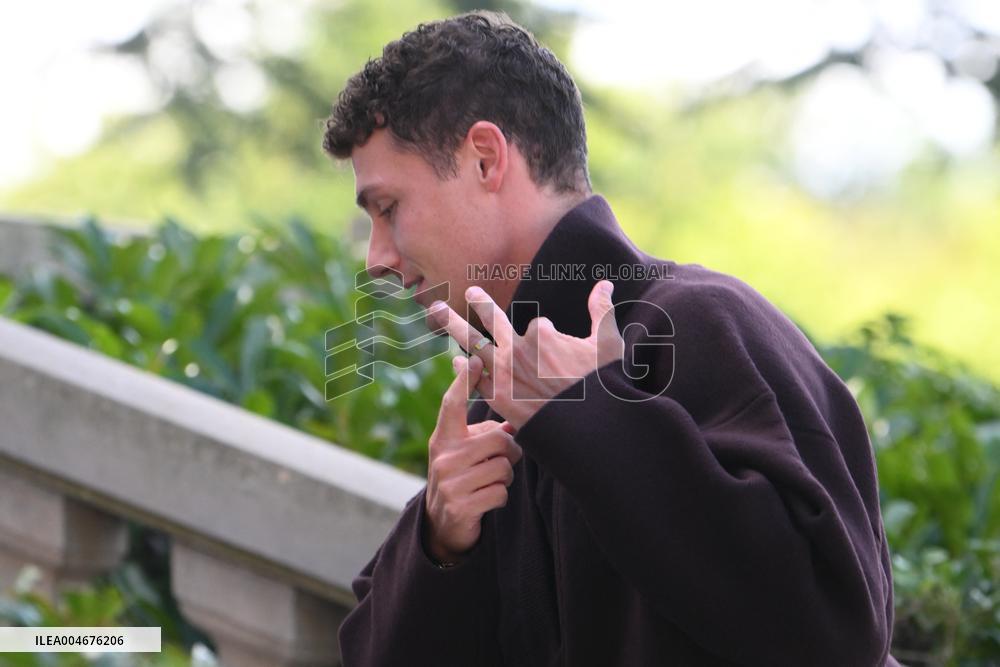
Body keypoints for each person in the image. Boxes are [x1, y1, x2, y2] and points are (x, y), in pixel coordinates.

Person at [323, 10, 902, 667]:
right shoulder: (502, 406)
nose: (375, 258)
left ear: (485, 159)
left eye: (388, 208)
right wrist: (439, 540)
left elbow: (836, 632)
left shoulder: (705, 322)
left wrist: (596, 420)